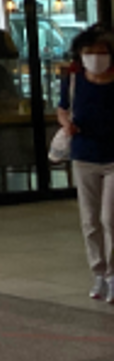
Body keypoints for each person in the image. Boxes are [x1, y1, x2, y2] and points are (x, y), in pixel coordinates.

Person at [56, 31, 114, 302]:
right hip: (84, 155)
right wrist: (66, 123)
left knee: (110, 219)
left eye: (102, 52)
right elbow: (62, 108)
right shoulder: (73, 80)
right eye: (90, 52)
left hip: (112, 156)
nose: (96, 58)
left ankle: (112, 274)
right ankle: (98, 273)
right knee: (90, 220)